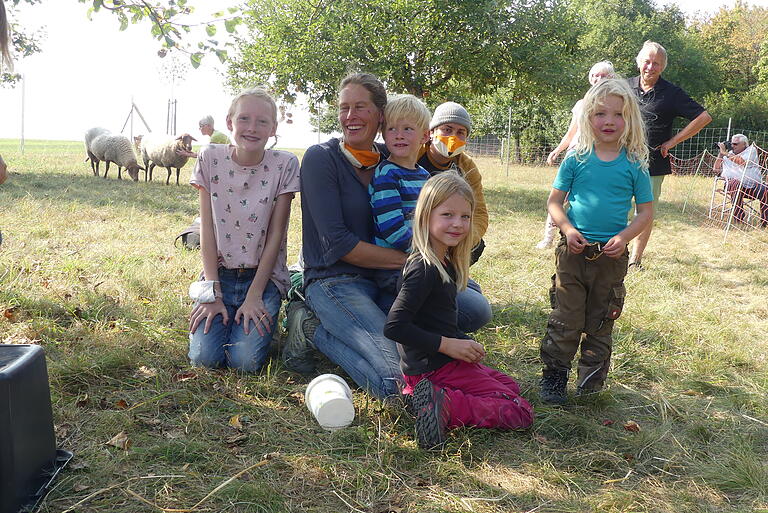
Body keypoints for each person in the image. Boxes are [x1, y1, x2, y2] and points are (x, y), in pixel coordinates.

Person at [384, 172, 534, 449]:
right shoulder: (424, 268)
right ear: (426, 216)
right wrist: (448, 345)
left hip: (437, 365)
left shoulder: (445, 261)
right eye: (448, 215)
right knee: (519, 410)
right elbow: (395, 326)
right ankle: (444, 405)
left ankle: (426, 397)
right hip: (433, 368)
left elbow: (435, 320)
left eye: (465, 216)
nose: (458, 224)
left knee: (510, 387)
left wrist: (461, 342)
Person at [539, 78, 654, 404]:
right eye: (601, 113)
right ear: (588, 117)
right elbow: (554, 203)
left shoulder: (634, 164)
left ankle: (590, 387)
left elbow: (645, 213)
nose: (609, 121)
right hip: (573, 254)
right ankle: (554, 379)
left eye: (618, 115)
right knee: (566, 319)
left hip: (611, 259)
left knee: (601, 321)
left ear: (629, 119)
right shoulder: (575, 159)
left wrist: (623, 238)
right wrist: (568, 230)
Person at [300, 72, 405, 400]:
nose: (350, 116)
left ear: (380, 114)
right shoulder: (321, 158)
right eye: (344, 108)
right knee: (396, 382)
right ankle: (311, 329)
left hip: (387, 280)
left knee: (471, 309)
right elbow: (339, 244)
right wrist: (415, 260)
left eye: (360, 107)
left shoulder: (392, 159)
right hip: (335, 281)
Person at [187, 87, 300, 372]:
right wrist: (212, 292)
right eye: (244, 119)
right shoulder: (210, 158)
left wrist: (254, 295)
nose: (252, 128)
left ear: (273, 128)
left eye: (262, 121)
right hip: (220, 274)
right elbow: (208, 228)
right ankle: (230, 317)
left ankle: (267, 322)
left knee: (244, 362)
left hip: (263, 278)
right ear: (229, 123)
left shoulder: (284, 164)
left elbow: (277, 234)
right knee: (204, 360)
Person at [627, 40, 711, 269]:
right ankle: (614, 253)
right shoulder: (623, 87)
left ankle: (635, 260)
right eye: (647, 61)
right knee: (617, 206)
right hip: (621, 159)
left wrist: (673, 141)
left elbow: (703, 117)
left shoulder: (672, 93)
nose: (650, 67)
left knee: (644, 212)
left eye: (656, 63)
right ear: (638, 62)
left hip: (653, 162)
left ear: (663, 67)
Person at [416, 102, 492, 333]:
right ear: (432, 132)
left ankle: (453, 278)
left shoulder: (467, 168)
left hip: (449, 243)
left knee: (477, 246)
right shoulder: (412, 157)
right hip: (416, 243)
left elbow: (479, 212)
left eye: (461, 132)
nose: (453, 137)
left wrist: (465, 237)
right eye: (447, 129)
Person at [538, 61, 616, 249]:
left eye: (603, 75)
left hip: (596, 159)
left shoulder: (614, 106)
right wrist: (558, 150)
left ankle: (585, 236)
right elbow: (572, 132)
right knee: (559, 196)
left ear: (611, 78)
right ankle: (548, 237)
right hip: (575, 155)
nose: (598, 78)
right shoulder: (581, 104)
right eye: (595, 75)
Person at [369, 94, 432, 292]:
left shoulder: (426, 176)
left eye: (407, 129)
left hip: (420, 255)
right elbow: (391, 228)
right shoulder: (387, 174)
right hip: (393, 266)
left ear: (425, 135)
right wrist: (425, 253)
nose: (399, 135)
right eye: (392, 129)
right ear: (383, 134)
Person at [714, 134, 768, 226]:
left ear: (744, 144)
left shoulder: (751, 151)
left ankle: (765, 222)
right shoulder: (728, 154)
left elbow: (742, 162)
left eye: (735, 144)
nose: (732, 146)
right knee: (735, 183)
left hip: (752, 186)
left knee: (766, 190)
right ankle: (739, 219)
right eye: (732, 144)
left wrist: (726, 153)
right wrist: (721, 153)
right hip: (733, 186)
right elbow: (716, 169)